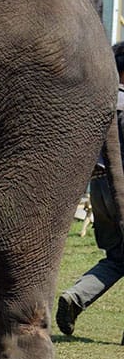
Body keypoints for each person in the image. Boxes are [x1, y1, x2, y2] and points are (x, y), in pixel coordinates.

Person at [57, 41, 124, 337]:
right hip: (121, 190)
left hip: (98, 190)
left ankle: (77, 296)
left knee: (118, 258)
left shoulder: (101, 103)